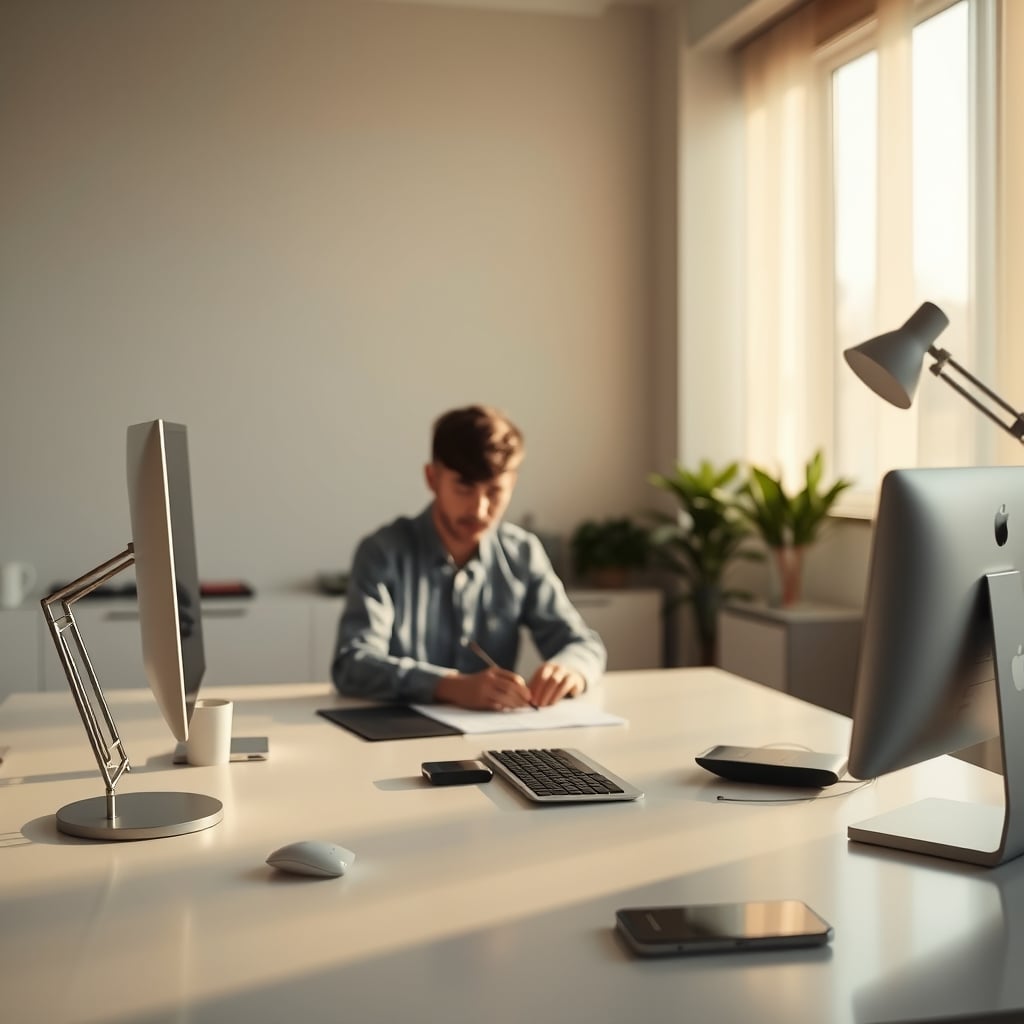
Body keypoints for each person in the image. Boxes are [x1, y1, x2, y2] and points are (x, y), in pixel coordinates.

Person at [331, 405, 606, 711]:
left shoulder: (522, 553)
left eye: (494, 490)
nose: (479, 509)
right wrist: (449, 686)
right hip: (395, 741)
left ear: (512, 484)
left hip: (494, 741)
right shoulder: (382, 552)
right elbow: (352, 664)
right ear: (432, 478)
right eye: (464, 486)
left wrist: (570, 670)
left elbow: (583, 644)